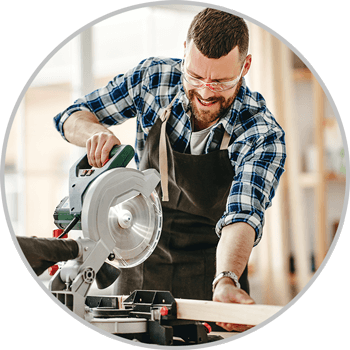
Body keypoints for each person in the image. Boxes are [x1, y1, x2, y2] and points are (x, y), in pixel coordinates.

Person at [54, 8, 286, 332]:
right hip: (139, 255)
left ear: (245, 67)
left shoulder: (261, 132)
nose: (205, 92)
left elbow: (243, 215)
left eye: (220, 81)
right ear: (184, 53)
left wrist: (227, 279)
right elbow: (70, 117)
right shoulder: (152, 80)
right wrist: (93, 133)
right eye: (195, 76)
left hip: (211, 276)